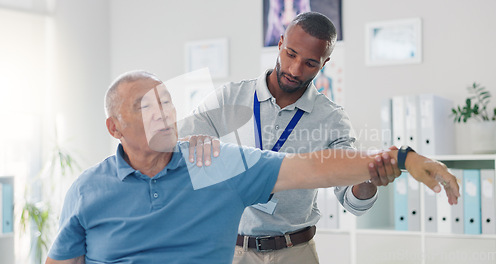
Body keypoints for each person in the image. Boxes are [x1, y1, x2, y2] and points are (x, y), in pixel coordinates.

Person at [46, 70, 459, 264]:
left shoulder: (213, 165)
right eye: (144, 106)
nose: (163, 112)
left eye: (166, 101)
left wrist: (403, 158)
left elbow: (312, 168)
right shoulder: (87, 190)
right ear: (113, 127)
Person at [179, 12, 396, 263]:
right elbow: (178, 147)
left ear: (324, 64)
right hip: (230, 250)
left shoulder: (333, 119)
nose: (295, 69)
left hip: (295, 251)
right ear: (280, 43)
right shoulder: (229, 98)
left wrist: (367, 178)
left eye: (310, 63)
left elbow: (353, 201)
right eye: (291, 54)